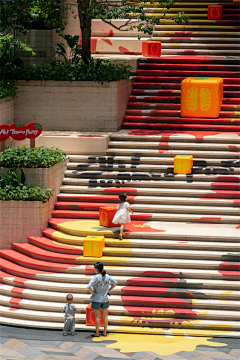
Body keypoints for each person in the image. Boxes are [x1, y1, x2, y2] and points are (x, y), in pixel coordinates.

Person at [87, 262, 117, 337]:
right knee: (105, 316)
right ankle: (104, 332)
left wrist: (92, 292)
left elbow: (89, 286)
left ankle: (97, 333)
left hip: (97, 298)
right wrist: (108, 291)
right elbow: (115, 283)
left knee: (97, 316)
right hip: (105, 298)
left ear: (96, 269)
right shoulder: (107, 276)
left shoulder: (95, 277)